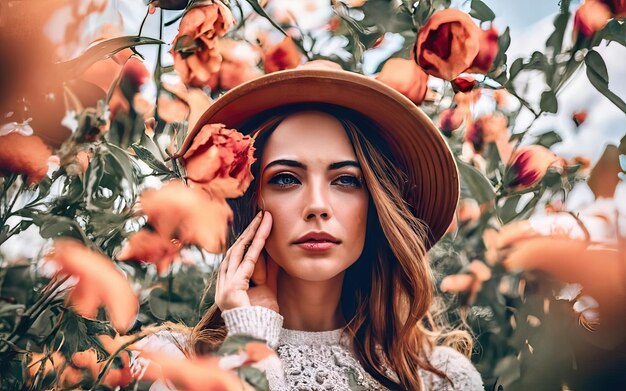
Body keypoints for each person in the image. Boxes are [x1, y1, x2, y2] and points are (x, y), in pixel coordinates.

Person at [137, 64, 484, 390]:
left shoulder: (440, 377)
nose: (317, 205)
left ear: (375, 204)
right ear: (248, 200)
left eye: (346, 180)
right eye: (286, 178)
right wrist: (251, 341)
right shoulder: (177, 360)